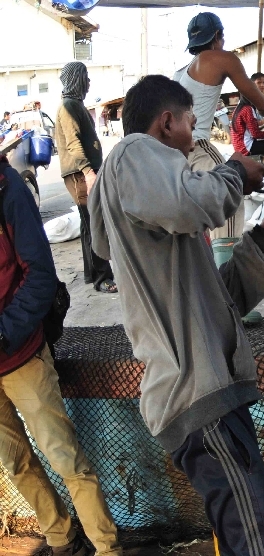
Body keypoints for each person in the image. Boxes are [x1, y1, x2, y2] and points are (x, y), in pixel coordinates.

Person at [88, 75, 264, 556]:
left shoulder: (160, 232)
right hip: (195, 394)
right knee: (256, 538)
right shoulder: (131, 153)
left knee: (247, 529)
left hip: (208, 394)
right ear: (166, 123)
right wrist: (235, 172)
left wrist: (259, 240)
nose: (196, 136)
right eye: (192, 123)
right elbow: (194, 202)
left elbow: (220, 301)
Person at [0, 157, 123, 556]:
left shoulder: (9, 191)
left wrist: (4, 333)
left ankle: (106, 548)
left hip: (19, 354)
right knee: (16, 463)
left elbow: (39, 276)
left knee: (66, 461)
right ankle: (61, 540)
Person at [173, 12, 264, 240]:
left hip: (175, 156)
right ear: (218, 35)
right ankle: (224, 271)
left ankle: (207, 265)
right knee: (229, 200)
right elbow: (257, 98)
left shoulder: (181, 72)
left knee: (198, 214)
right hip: (198, 146)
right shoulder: (221, 58)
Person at [54, 62, 117, 294]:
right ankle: (103, 277)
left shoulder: (74, 104)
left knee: (88, 224)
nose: (88, 82)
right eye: (85, 77)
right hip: (80, 174)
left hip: (82, 173)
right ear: (77, 80)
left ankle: (93, 275)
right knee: (95, 223)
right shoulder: (69, 106)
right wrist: (88, 172)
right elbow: (73, 143)